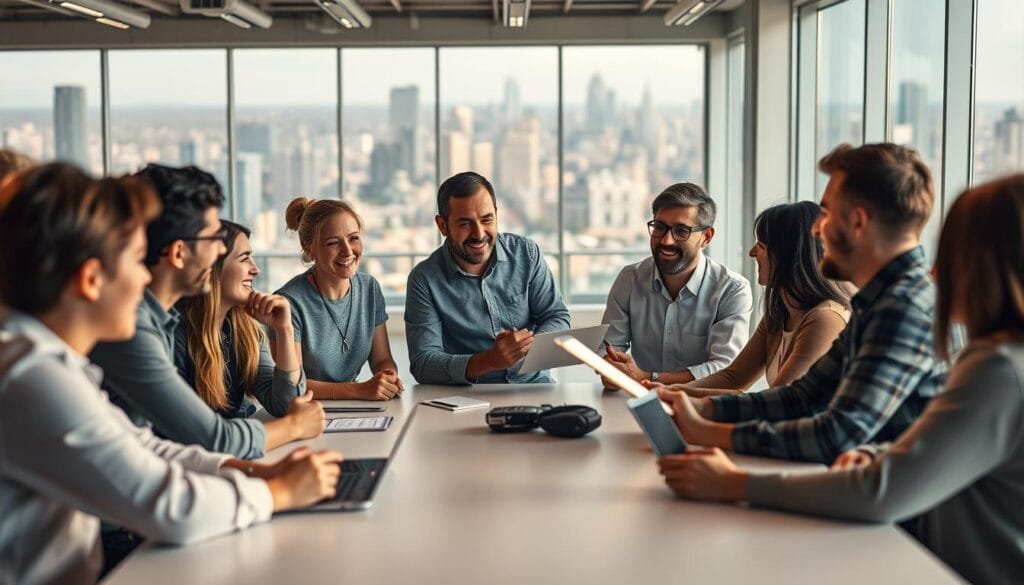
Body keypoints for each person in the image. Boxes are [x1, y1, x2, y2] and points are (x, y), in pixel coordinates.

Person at [655, 173, 1024, 585]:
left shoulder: (997, 368)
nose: (936, 272)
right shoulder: (990, 355)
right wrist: (881, 452)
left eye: (952, 253)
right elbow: (809, 399)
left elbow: (876, 487)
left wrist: (734, 482)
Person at [0, 163, 341, 585]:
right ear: (91, 279)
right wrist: (280, 493)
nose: (146, 275)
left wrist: (258, 472)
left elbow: (141, 445)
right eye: (135, 260)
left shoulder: (50, 363)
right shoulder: (30, 376)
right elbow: (169, 506)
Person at [648, 143, 947, 464]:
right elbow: (801, 398)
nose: (816, 229)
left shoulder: (901, 308)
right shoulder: (875, 303)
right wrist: (700, 406)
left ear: (858, 223)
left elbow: (834, 436)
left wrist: (711, 436)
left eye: (827, 213)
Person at [89, 164, 324, 459]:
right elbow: (207, 438)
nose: (218, 251)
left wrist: (285, 330)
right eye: (212, 239)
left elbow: (155, 446)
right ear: (178, 252)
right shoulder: (133, 327)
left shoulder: (166, 321)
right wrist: (294, 427)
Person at [664, 202, 850, 397]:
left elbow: (778, 401)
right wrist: (666, 391)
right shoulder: (780, 312)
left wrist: (672, 395)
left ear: (788, 256)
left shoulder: (825, 319)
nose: (752, 252)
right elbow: (733, 378)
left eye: (761, 246)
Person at [405, 171, 571, 384]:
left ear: (496, 215)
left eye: (487, 220)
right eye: (465, 224)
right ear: (442, 226)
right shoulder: (424, 280)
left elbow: (556, 316)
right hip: (468, 396)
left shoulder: (526, 254)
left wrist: (524, 347)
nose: (479, 234)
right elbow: (423, 363)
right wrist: (489, 361)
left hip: (534, 386)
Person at [600, 183, 752, 388]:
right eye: (659, 227)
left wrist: (648, 377)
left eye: (681, 231)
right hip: (640, 400)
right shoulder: (630, 279)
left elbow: (726, 369)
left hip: (702, 402)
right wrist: (613, 370)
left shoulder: (732, 290)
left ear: (706, 237)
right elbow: (609, 349)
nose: (666, 241)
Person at [274, 197, 402, 401]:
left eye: (354, 238)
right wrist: (359, 390)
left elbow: (382, 359)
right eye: (333, 243)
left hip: (354, 408)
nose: (348, 251)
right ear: (309, 248)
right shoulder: (288, 303)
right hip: (305, 409)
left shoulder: (369, 288)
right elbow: (292, 385)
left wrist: (388, 376)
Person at [175, 220, 305, 418]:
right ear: (212, 268)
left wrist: (285, 330)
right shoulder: (174, 333)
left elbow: (285, 405)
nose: (256, 269)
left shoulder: (245, 328)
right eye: (244, 259)